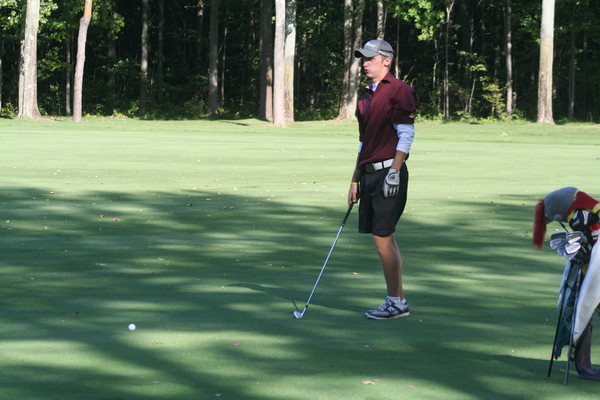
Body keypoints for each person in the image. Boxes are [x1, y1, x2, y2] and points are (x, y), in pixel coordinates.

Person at [347, 39, 419, 320]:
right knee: (385, 239)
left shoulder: (400, 91)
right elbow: (363, 142)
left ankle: (396, 302)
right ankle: (397, 301)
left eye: (370, 58)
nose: (364, 63)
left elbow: (406, 135)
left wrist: (394, 171)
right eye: (362, 59)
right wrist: (354, 180)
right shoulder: (365, 96)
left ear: (386, 60)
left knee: (382, 239)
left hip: (390, 172)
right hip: (369, 175)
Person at [533, 187, 600, 380]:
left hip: (593, 273)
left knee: (582, 313)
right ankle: (584, 368)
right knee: (582, 315)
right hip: (590, 271)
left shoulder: (578, 216)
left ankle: (584, 367)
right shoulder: (584, 208)